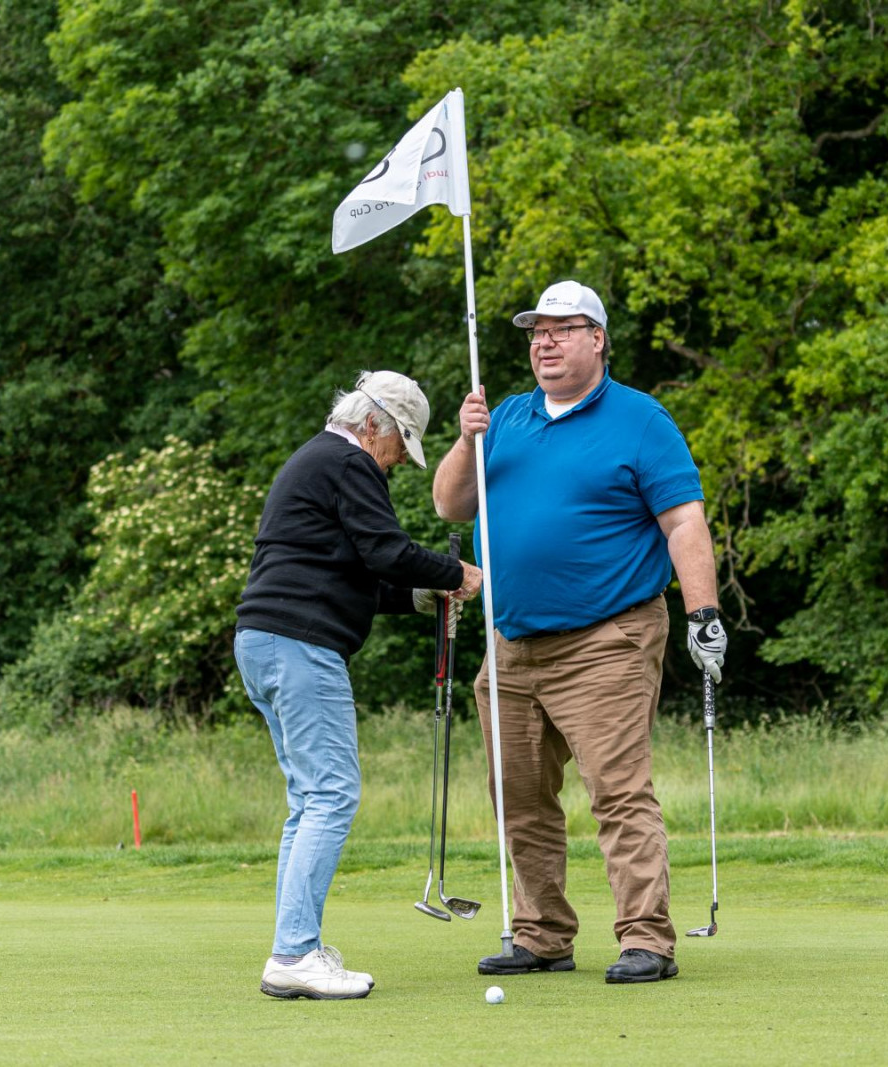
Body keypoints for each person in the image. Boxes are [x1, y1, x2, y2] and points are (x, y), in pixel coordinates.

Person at [431, 280, 727, 985]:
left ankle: (646, 937)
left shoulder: (640, 419)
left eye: (564, 328)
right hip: (511, 642)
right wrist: (464, 438)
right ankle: (541, 934)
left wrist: (703, 614)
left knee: (617, 790)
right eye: (537, 330)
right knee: (519, 792)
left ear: (597, 340)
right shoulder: (504, 417)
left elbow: (683, 521)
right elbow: (450, 504)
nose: (545, 340)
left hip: (608, 638)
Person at [236, 370, 484, 1000]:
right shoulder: (349, 462)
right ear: (373, 424)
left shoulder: (315, 461)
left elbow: (353, 572)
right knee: (332, 795)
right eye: (401, 442)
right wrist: (455, 571)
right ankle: (293, 954)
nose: (400, 458)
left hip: (264, 640)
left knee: (309, 799)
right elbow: (387, 549)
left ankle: (295, 946)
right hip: (300, 644)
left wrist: (423, 595)